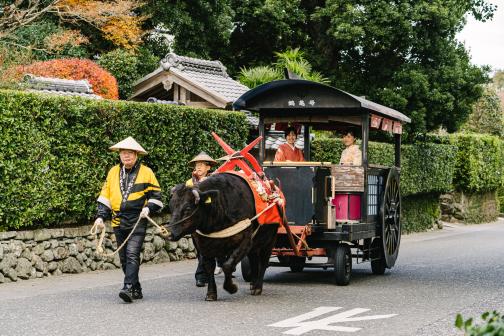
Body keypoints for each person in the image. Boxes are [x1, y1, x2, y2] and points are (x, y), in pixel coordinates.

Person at [94, 136, 163, 303]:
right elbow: (105, 196)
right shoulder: (112, 172)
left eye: (130, 153)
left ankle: (128, 287)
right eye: (123, 153)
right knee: (124, 257)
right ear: (119, 155)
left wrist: (148, 208)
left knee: (132, 254)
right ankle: (136, 287)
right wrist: (100, 217)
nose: (126, 156)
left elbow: (157, 196)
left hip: (138, 219)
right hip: (118, 220)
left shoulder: (147, 172)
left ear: (136, 155)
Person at [184, 152, 225, 287]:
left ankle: (202, 275)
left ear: (208, 167)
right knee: (200, 249)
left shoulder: (214, 181)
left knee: (206, 249)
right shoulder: (190, 182)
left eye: (202, 165)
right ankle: (203, 274)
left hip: (211, 219)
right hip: (196, 219)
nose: (199, 167)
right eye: (197, 165)